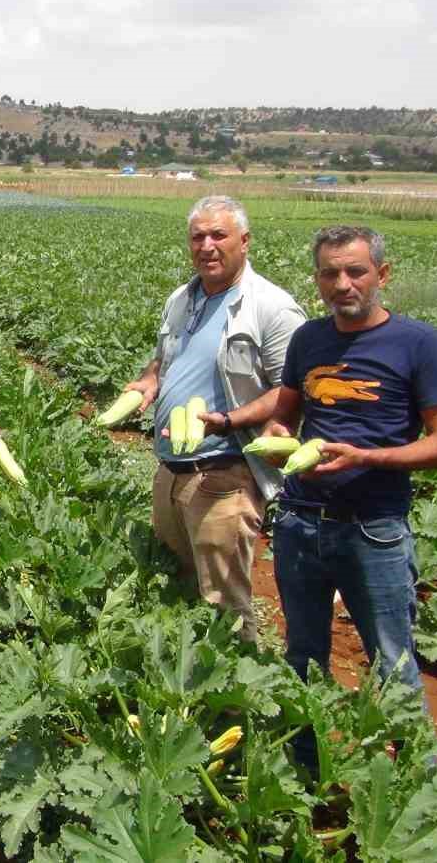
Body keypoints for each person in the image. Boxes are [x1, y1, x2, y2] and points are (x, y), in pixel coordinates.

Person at [260, 224, 437, 769]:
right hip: (300, 521)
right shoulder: (308, 339)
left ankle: (419, 787)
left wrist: (368, 456)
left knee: (392, 662)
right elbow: (285, 413)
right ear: (318, 279)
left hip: (375, 526)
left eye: (355, 271)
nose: (342, 283)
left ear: (382, 274)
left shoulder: (419, 343)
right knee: (302, 656)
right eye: (330, 273)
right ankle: (305, 771)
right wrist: (279, 435)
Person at [117, 195, 305, 643]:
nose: (207, 245)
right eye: (197, 236)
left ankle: (235, 691)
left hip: (225, 471)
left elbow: (291, 390)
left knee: (223, 602)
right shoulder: (183, 298)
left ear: (244, 240)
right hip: (171, 469)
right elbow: (164, 359)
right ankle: (184, 688)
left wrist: (227, 419)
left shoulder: (271, 308)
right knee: (174, 583)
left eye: (218, 235)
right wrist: (148, 381)